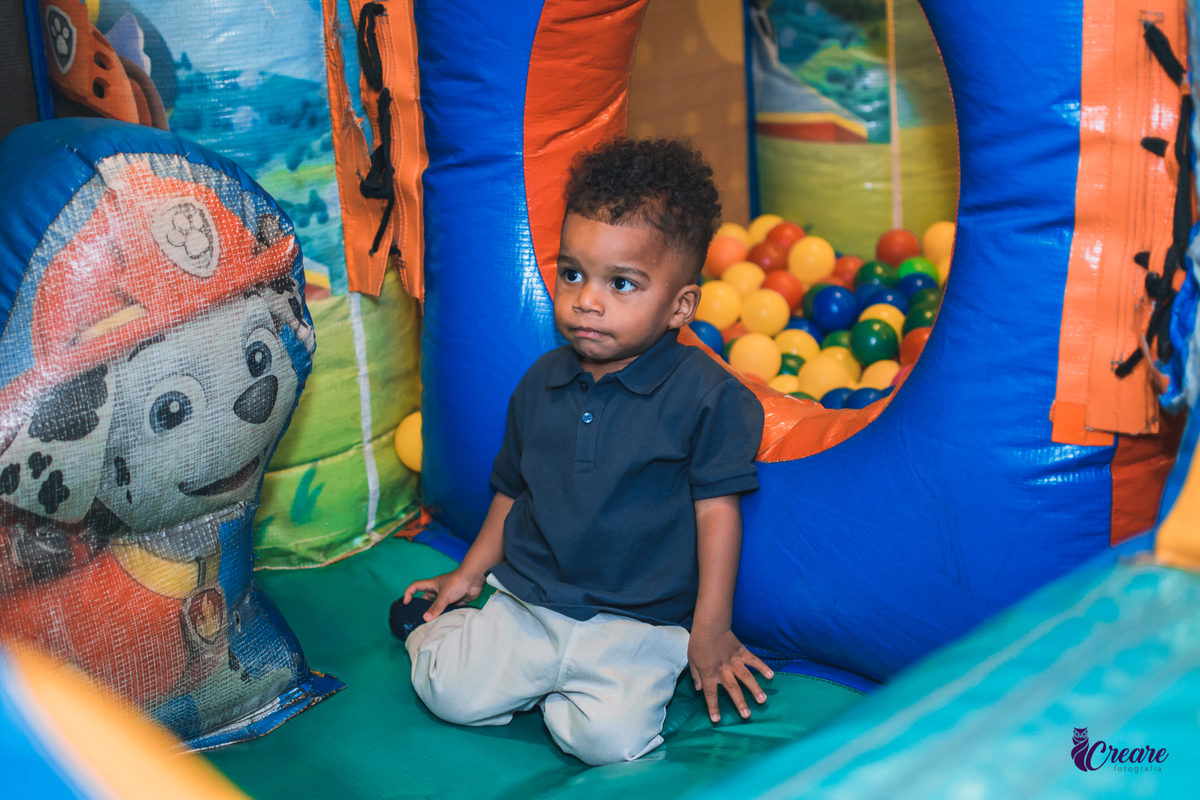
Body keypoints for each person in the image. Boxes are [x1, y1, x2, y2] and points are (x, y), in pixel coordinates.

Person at [389, 138, 769, 766]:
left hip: (638, 624)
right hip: (529, 599)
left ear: (681, 306)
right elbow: (511, 491)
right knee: (448, 692)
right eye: (573, 273)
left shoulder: (708, 397)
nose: (587, 300)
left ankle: (559, 693)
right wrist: (468, 575)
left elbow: (716, 514)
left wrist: (710, 627)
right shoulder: (542, 382)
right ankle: (456, 640)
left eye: (622, 283)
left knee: (611, 743)